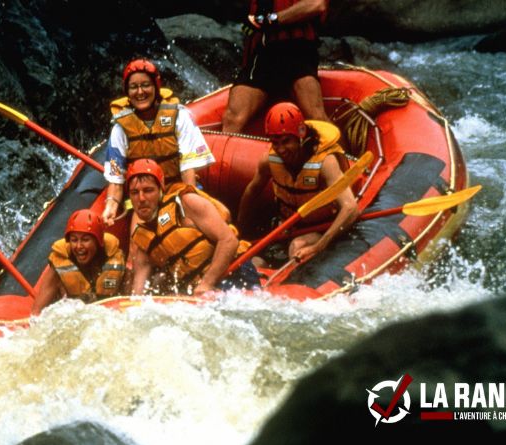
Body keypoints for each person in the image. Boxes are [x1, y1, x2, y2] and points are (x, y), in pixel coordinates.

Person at [237, 102, 357, 265]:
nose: (281, 149)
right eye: (275, 142)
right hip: (285, 227)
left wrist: (319, 246)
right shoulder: (269, 161)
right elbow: (251, 192)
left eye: (286, 141)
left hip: (320, 228)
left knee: (297, 246)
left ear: (301, 134)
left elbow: (350, 208)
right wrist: (240, 232)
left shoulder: (325, 163)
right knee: (254, 263)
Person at [101, 58, 216, 226]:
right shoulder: (120, 129)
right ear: (127, 91)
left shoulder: (179, 116)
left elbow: (187, 169)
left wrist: (189, 202)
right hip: (143, 198)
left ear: (156, 86)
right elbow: (116, 180)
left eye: (146, 85)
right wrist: (110, 207)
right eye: (133, 87)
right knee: (137, 242)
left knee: (190, 226)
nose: (140, 92)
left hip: (177, 187)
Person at [126, 159, 259, 296]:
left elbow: (229, 240)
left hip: (234, 273)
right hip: (198, 289)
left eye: (148, 190)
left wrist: (207, 283)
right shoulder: (141, 239)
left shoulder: (185, 203)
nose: (141, 198)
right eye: (135, 192)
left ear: (161, 189)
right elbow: (138, 291)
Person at [222, 0, 330, 133]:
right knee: (232, 119)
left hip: (298, 49)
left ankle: (339, 153)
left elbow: (317, 4)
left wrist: (272, 19)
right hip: (263, 52)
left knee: (316, 116)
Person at [32, 209, 126, 314]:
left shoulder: (114, 259)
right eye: (74, 240)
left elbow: (132, 301)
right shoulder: (59, 267)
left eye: (85, 240)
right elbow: (36, 312)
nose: (79, 246)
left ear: (98, 241)